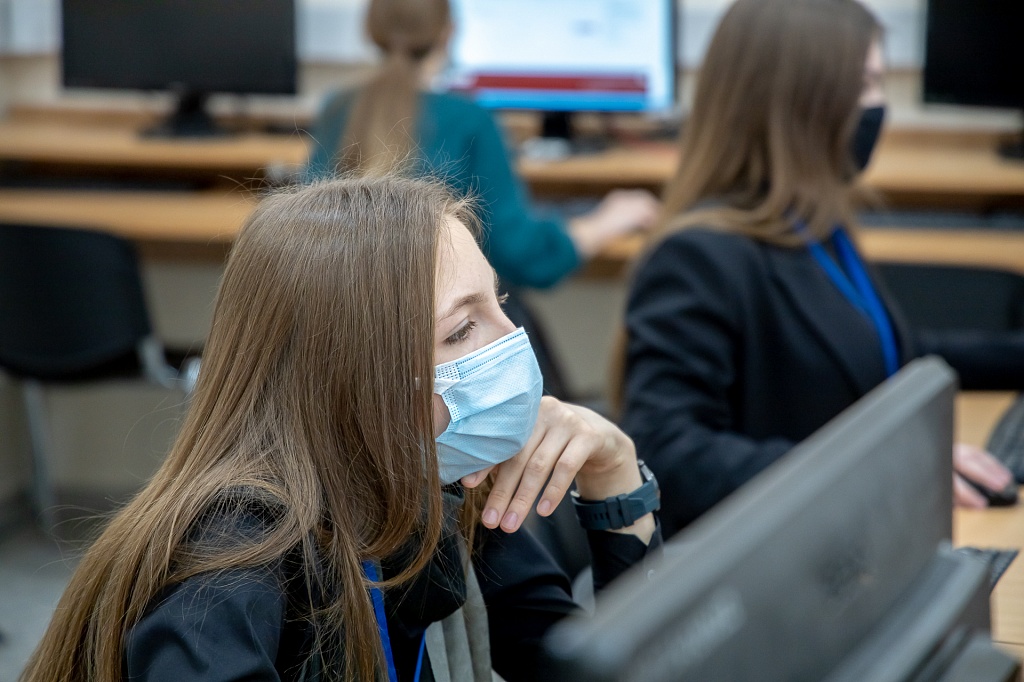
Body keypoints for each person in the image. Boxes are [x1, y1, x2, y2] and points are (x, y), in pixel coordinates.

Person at [22, 177, 660, 682]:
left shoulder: (436, 484)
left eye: (501, 304)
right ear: (355, 379)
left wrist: (615, 480)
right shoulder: (227, 573)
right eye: (462, 329)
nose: (514, 341)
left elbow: (600, 668)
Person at [619, 0, 1024, 538]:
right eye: (865, 85)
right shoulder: (699, 255)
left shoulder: (811, 224)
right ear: (800, 102)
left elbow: (878, 351)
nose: (879, 106)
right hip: (774, 552)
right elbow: (667, 452)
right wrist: (881, 468)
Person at [304, 0, 660, 291]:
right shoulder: (470, 120)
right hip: (432, 330)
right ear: (449, 32)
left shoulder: (337, 108)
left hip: (342, 326)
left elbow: (307, 226)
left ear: (370, 29)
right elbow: (523, 257)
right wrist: (602, 223)